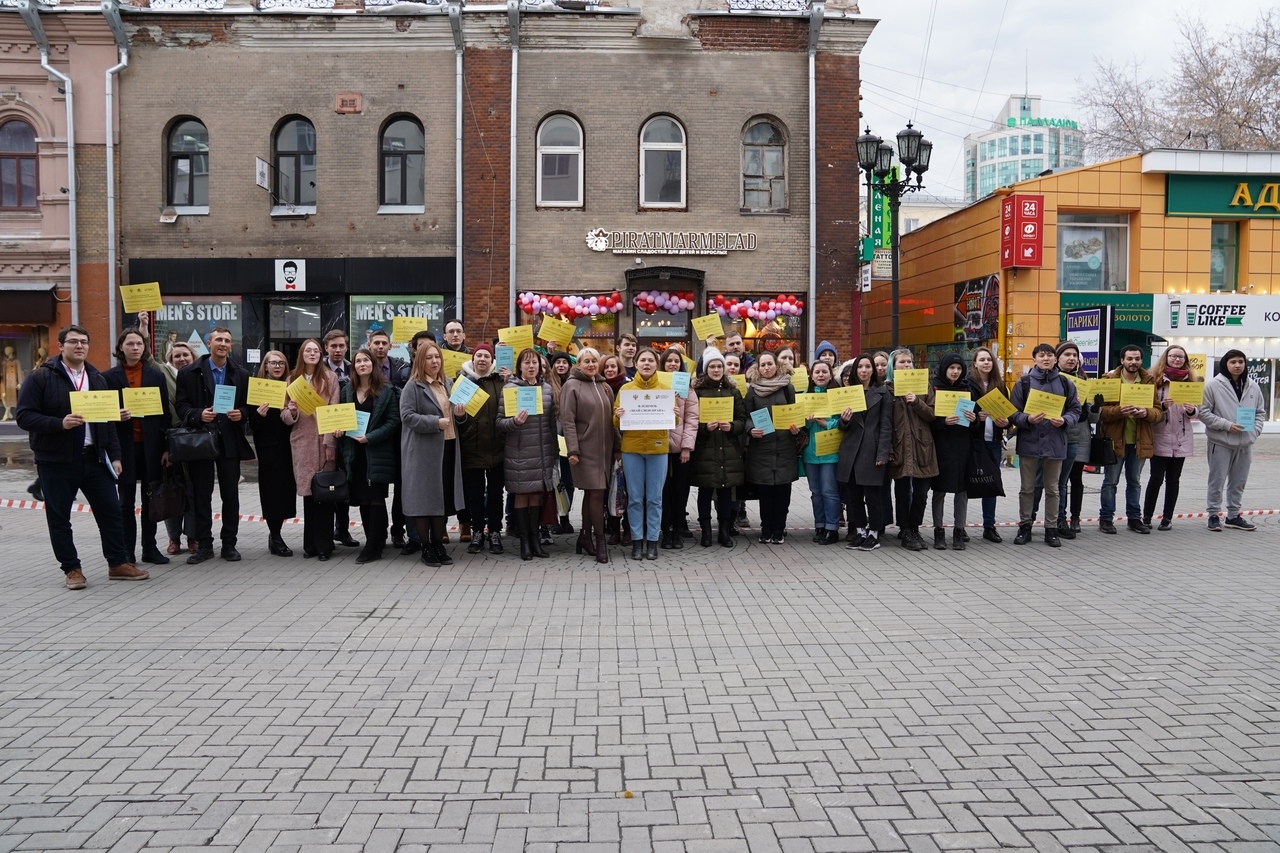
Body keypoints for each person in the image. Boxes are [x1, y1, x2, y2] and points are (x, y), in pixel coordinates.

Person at [15, 324, 148, 589]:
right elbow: (24, 416)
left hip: (95, 458)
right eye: (73, 341)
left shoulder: (97, 378)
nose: (79, 346)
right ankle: (72, 569)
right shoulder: (41, 376)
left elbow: (107, 423)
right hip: (56, 460)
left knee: (111, 511)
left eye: (84, 342)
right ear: (60, 346)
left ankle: (117, 563)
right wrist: (59, 423)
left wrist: (116, 455)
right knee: (59, 517)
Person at [175, 326, 254, 564]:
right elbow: (181, 405)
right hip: (200, 441)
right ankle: (204, 544)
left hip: (229, 441)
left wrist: (241, 413)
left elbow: (247, 405)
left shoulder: (241, 374)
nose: (223, 344)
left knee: (230, 495)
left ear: (231, 346)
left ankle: (229, 544)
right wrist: (198, 414)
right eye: (218, 339)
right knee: (201, 495)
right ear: (209, 343)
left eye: (227, 341)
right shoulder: (189, 373)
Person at [103, 326, 172, 565]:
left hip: (151, 447)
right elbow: (101, 413)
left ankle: (150, 548)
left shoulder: (156, 376)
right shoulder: (108, 377)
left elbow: (165, 414)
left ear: (145, 348)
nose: (135, 348)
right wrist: (115, 413)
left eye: (139, 344)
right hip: (123, 447)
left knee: (151, 500)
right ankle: (126, 551)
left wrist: (166, 448)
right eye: (130, 344)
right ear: (121, 347)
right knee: (125, 502)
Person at [1008, 343, 1082, 547]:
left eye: (1050, 355)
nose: (1046, 359)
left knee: (1053, 488)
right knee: (1027, 488)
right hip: (1029, 442)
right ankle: (1025, 526)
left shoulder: (1066, 384)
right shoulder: (1023, 383)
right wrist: (1027, 419)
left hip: (1055, 442)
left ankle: (1051, 529)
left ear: (1055, 359)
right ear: (1034, 359)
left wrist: (1065, 420)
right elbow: (1012, 412)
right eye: (1042, 355)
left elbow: (1076, 410)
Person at [400, 341, 467, 566]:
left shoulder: (448, 383)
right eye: (429, 358)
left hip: (448, 447)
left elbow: (457, 416)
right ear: (421, 361)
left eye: (437, 357)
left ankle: (439, 544)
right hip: (422, 452)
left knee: (441, 500)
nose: (434, 361)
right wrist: (434, 422)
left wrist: (459, 416)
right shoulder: (413, 386)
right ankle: (426, 547)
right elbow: (407, 416)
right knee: (423, 500)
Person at [280, 339, 342, 561]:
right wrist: (292, 410)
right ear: (302, 354)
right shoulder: (291, 379)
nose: (313, 354)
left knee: (325, 494)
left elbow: (334, 411)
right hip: (302, 442)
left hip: (324, 441)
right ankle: (310, 545)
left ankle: (325, 545)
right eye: (309, 350)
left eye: (316, 350)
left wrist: (330, 444)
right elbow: (285, 418)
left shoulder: (330, 378)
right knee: (308, 494)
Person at [341, 348, 400, 563]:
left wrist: (371, 437)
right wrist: (339, 429)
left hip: (377, 452)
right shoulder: (347, 390)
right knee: (363, 500)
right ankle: (373, 540)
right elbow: (341, 417)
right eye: (358, 361)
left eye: (366, 360)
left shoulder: (386, 390)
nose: (362, 364)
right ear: (354, 366)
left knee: (375, 498)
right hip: (355, 453)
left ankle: (374, 545)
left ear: (373, 364)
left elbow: (393, 421)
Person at [558, 347, 617, 563]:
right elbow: (568, 421)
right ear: (579, 364)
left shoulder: (604, 386)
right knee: (596, 493)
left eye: (594, 360)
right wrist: (573, 449)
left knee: (593, 495)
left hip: (605, 451)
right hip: (584, 451)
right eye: (586, 361)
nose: (591, 364)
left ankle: (584, 536)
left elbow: (612, 421)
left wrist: (617, 447)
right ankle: (600, 541)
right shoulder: (571, 386)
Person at [499, 347, 558, 560]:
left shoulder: (548, 389)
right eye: (527, 363)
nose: (531, 366)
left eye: (535, 363)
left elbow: (552, 424)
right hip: (520, 452)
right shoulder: (510, 389)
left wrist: (554, 452)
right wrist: (514, 422)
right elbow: (500, 423)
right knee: (522, 496)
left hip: (542, 452)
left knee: (536, 497)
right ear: (520, 367)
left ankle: (535, 539)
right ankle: (524, 541)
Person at [1097, 345, 1162, 534]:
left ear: (1141, 361)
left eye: (1137, 359)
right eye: (1130, 359)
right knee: (1110, 482)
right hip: (1115, 440)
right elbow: (1101, 412)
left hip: (1140, 440)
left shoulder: (1149, 381)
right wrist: (1119, 411)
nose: (1133, 362)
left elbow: (1159, 413)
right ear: (1122, 361)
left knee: (1134, 481)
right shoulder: (1109, 380)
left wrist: (1146, 412)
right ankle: (1106, 519)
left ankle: (1134, 519)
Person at [1031, 341, 1093, 539]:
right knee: (1039, 481)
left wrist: (1092, 408)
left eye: (1075, 355)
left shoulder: (1082, 380)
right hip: (1046, 436)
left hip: (1071, 437)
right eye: (1067, 354)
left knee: (1061, 483)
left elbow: (1086, 416)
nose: (1072, 358)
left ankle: (1059, 520)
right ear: (1058, 358)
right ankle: (1028, 520)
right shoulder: (1049, 378)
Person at [614, 348, 672, 559]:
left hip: (658, 449)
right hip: (632, 449)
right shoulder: (626, 390)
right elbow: (616, 422)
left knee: (655, 499)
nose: (646, 364)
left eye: (650, 360)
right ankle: (637, 541)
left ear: (656, 364)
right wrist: (617, 415)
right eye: (643, 360)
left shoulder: (665, 390)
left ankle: (653, 542)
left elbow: (674, 422)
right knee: (636, 498)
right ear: (636, 364)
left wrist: (676, 415)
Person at [1198, 349, 1264, 532]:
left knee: (1239, 481)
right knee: (1217, 480)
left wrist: (1255, 432)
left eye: (1241, 362)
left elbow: (1260, 413)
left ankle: (1233, 516)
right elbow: (1203, 412)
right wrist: (1227, 425)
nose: (1237, 365)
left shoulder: (1253, 386)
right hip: (1221, 442)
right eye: (1233, 362)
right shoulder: (1213, 385)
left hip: (1245, 443)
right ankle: (1213, 514)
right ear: (1225, 364)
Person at [836, 354, 892, 551]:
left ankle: (874, 534)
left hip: (871, 449)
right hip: (851, 450)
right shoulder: (848, 392)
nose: (864, 371)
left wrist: (882, 454)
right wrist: (843, 419)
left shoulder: (883, 393)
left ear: (873, 370)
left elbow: (886, 426)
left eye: (868, 367)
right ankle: (860, 532)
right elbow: (841, 427)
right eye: (860, 367)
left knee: (873, 496)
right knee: (853, 496)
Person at [690, 347, 745, 548]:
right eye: (712, 366)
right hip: (705, 449)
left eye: (719, 366)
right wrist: (705, 428)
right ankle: (705, 531)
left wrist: (732, 427)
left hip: (728, 448)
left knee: (725, 491)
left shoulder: (733, 391)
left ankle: (724, 530)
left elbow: (742, 419)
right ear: (706, 369)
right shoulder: (697, 391)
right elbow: (691, 420)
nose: (716, 370)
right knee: (705, 490)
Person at [743, 350, 800, 545]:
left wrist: (796, 428)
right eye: (763, 365)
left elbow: (794, 412)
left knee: (783, 492)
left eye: (770, 364)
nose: (767, 368)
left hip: (784, 446)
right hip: (762, 448)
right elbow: (746, 417)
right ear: (757, 368)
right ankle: (766, 529)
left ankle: (779, 528)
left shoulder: (787, 387)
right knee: (765, 493)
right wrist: (751, 430)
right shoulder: (752, 390)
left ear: (777, 365)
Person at [885, 349, 938, 551]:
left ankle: (915, 527)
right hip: (899, 446)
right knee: (902, 492)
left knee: (921, 493)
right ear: (893, 366)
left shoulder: (923, 386)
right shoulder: (888, 389)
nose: (907, 365)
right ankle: (905, 529)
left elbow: (933, 414)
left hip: (922, 446)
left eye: (909, 362)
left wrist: (916, 402)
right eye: (902, 362)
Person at [458, 344, 507, 555]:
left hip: (498, 447)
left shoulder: (500, 382)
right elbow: (455, 416)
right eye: (479, 355)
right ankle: (477, 531)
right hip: (473, 446)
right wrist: (459, 416)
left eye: (487, 356)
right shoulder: (463, 382)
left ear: (491, 360)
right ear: (473, 358)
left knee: (496, 494)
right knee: (475, 495)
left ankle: (495, 531)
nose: (482, 359)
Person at [1143, 345, 1198, 531]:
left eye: (1181, 357)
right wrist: (1162, 407)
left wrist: (1193, 411)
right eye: (1173, 356)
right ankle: (1147, 516)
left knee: (1174, 480)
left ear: (1185, 360)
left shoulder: (1190, 382)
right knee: (1156, 478)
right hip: (1160, 435)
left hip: (1181, 438)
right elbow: (1149, 409)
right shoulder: (1155, 380)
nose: (1177, 360)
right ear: (1166, 358)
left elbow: (1199, 409)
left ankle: (1167, 518)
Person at [248, 350, 297, 557]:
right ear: (265, 366)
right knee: (271, 492)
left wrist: (293, 409)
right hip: (268, 448)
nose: (277, 367)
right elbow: (251, 424)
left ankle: (276, 534)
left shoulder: (291, 388)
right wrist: (259, 415)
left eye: (281, 363)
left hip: (289, 447)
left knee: (285, 492)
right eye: (273, 363)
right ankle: (275, 536)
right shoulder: (258, 388)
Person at [369, 327, 414, 552]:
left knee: (401, 486)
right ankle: (376, 533)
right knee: (376, 487)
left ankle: (398, 531)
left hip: (399, 435)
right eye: (376, 343)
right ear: (369, 346)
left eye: (383, 343)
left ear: (390, 345)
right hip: (373, 437)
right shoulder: (363, 369)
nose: (380, 347)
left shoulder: (402, 370)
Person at [929, 352, 977, 550]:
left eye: (958, 368)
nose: (955, 372)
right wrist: (943, 423)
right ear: (944, 369)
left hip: (962, 447)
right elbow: (928, 420)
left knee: (961, 491)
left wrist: (974, 420)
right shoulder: (934, 388)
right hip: (941, 447)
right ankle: (938, 531)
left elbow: (976, 426)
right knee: (939, 490)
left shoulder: (968, 389)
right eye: (952, 368)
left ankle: (959, 530)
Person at [967, 346, 1010, 543]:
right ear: (974, 363)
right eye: (982, 359)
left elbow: (1009, 413)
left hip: (993, 441)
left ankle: (989, 526)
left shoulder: (1000, 386)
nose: (986, 363)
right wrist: (976, 418)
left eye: (989, 360)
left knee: (991, 483)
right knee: (966, 484)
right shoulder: (967, 385)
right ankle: (961, 526)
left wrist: (1006, 422)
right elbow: (961, 412)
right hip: (972, 441)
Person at [661, 347, 699, 549]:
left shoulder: (688, 390)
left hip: (680, 450)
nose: (673, 364)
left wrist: (686, 447)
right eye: (669, 361)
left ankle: (677, 531)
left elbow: (692, 420)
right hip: (659, 449)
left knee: (680, 491)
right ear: (663, 364)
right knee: (663, 492)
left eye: (676, 361)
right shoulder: (656, 386)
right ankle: (665, 532)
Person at [162, 341, 197, 555]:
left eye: (186, 355)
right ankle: (173, 538)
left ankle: (192, 537)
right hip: (171, 438)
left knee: (193, 490)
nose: (182, 359)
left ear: (193, 357)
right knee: (172, 491)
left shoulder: (198, 376)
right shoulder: (164, 376)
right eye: (177, 356)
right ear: (170, 359)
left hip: (195, 440)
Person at [803, 360, 841, 544]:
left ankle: (832, 528)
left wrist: (827, 423)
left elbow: (843, 421)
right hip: (811, 452)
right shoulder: (804, 395)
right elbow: (800, 425)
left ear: (830, 374)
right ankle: (819, 525)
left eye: (824, 371)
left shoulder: (837, 395)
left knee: (829, 491)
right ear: (811, 376)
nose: (820, 375)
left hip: (830, 451)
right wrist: (807, 421)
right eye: (817, 372)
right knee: (815, 492)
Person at [600, 353, 630, 547]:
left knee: (626, 489)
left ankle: (628, 529)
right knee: (608, 490)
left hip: (625, 445)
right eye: (607, 367)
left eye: (613, 367)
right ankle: (613, 528)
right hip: (603, 446)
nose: (610, 370)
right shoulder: (599, 388)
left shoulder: (627, 388)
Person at [547, 351, 576, 535]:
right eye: (557, 362)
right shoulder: (548, 386)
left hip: (570, 441)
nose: (561, 365)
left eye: (564, 362)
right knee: (553, 481)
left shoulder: (574, 383)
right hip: (552, 439)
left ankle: (565, 516)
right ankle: (554, 519)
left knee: (569, 481)